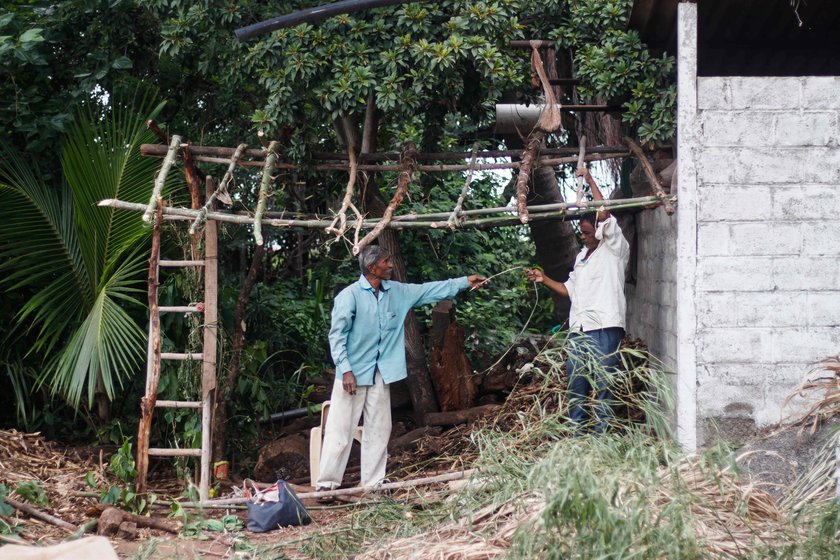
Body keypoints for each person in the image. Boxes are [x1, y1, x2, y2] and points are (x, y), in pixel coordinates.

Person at [316, 245, 486, 497]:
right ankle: (326, 486)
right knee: (340, 429)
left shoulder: (397, 292)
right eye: (386, 261)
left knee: (378, 429)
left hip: (380, 373)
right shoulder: (349, 296)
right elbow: (337, 337)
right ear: (372, 268)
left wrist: (464, 281)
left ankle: (373, 485)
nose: (391, 264)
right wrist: (346, 370)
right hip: (351, 375)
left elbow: (429, 289)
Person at [525, 168, 630, 432]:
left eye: (586, 231)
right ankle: (577, 433)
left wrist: (589, 178)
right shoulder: (582, 257)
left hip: (605, 327)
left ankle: (602, 436)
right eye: (580, 232)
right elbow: (569, 290)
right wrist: (543, 278)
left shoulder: (614, 249)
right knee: (577, 383)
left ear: (599, 229)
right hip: (579, 331)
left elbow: (604, 212)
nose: (582, 236)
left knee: (605, 383)